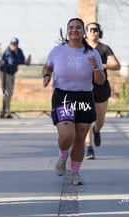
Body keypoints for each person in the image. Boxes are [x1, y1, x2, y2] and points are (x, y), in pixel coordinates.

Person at [42, 17, 105, 185]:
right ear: (67, 30)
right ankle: (63, 157)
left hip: (84, 97)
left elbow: (100, 81)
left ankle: (75, 173)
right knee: (67, 135)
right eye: (71, 27)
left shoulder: (92, 53)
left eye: (78, 27)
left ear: (83, 31)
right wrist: (47, 76)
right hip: (63, 96)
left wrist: (96, 68)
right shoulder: (57, 50)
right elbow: (47, 67)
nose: (74, 30)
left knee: (80, 138)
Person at [84, 22, 121, 160]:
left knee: (100, 120)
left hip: (101, 86)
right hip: (85, 86)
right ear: (86, 32)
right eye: (91, 29)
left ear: (100, 32)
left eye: (96, 30)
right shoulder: (82, 48)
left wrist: (101, 65)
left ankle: (97, 130)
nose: (94, 32)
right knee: (87, 117)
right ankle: (89, 147)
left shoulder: (104, 48)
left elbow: (117, 65)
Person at [0, 37, 31, 118]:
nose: (13, 46)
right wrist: (22, 61)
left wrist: (25, 61)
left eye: (15, 44)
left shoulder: (19, 51)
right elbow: (11, 61)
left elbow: (23, 60)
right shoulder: (7, 51)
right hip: (5, 73)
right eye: (12, 44)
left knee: (10, 92)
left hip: (12, 73)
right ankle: (5, 111)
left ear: (17, 45)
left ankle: (6, 111)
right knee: (7, 92)